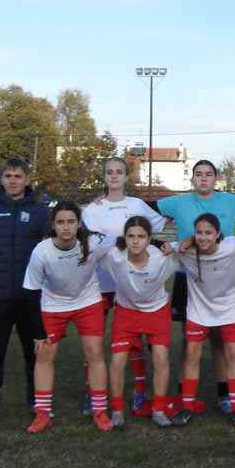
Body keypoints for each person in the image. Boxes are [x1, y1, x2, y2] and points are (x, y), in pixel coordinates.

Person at [157, 160, 235, 415]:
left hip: (220, 273)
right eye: (198, 174)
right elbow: (146, 211)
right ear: (192, 178)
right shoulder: (178, 202)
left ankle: (225, 394)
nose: (203, 178)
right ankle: (185, 395)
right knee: (189, 341)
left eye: (208, 174)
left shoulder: (231, 201)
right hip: (187, 273)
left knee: (221, 342)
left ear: (216, 178)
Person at [0, 157, 51, 426]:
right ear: (2, 179)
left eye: (18, 176)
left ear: (27, 180)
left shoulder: (41, 213)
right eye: (8, 176)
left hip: (31, 296)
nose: (13, 180)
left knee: (35, 352)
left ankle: (37, 403)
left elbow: (50, 248)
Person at [83, 157, 168, 417]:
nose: (114, 176)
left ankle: (140, 391)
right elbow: (90, 243)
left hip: (130, 282)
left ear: (126, 176)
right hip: (99, 282)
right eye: (109, 172)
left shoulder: (137, 205)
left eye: (119, 172)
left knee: (134, 341)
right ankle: (93, 393)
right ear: (104, 176)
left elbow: (158, 227)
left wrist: (160, 244)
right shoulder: (92, 209)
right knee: (94, 342)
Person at [22, 202, 114, 434]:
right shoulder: (42, 251)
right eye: (61, 222)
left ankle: (100, 411)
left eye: (71, 222)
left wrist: (160, 244)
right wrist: (38, 332)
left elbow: (125, 241)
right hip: (52, 304)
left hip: (88, 301)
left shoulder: (94, 242)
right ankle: (43, 414)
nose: (66, 227)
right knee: (44, 354)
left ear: (79, 224)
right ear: (53, 225)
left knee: (95, 352)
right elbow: (30, 292)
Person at [172, 213, 235, 427]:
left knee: (233, 354)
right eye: (199, 233)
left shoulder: (233, 247)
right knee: (191, 354)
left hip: (229, 310)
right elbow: (161, 246)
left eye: (208, 233)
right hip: (198, 311)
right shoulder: (185, 251)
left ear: (218, 234)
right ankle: (187, 407)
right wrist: (186, 241)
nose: (203, 237)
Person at [104, 216, 177, 427]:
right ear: (124, 238)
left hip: (157, 311)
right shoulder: (115, 256)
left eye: (141, 236)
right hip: (126, 312)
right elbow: (90, 247)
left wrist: (174, 245)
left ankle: (159, 409)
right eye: (131, 236)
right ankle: (117, 410)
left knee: (161, 357)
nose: (136, 241)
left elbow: (189, 248)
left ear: (149, 239)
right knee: (117, 360)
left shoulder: (161, 257)